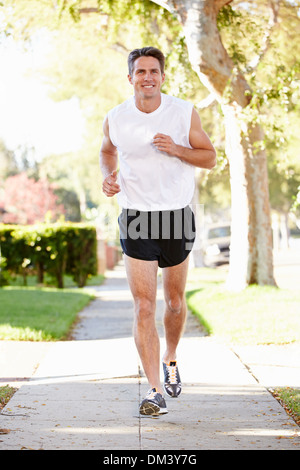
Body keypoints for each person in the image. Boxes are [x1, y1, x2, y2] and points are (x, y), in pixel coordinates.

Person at [99, 47, 216, 416]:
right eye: (140, 71)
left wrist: (178, 149)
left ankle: (171, 357)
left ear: (163, 77)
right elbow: (106, 151)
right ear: (129, 77)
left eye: (154, 71)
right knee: (144, 306)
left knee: (175, 302)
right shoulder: (115, 117)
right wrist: (108, 178)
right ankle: (153, 391)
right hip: (135, 216)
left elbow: (209, 157)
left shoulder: (183, 111)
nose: (147, 77)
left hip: (176, 216)